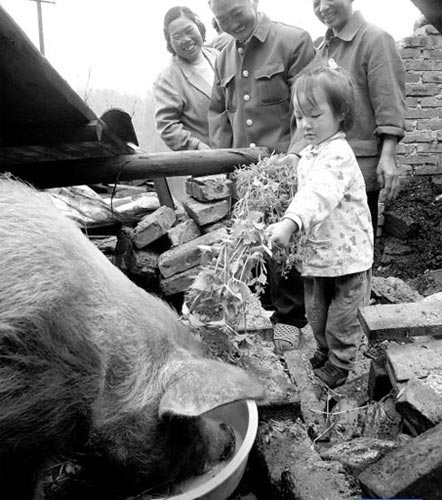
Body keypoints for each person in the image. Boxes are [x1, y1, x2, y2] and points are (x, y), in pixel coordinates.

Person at [208, 0, 315, 353]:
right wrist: (223, 163)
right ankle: (266, 309)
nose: (231, 23)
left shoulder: (293, 41)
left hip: (287, 167)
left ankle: (291, 320)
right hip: (248, 175)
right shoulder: (224, 57)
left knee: (287, 245)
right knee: (256, 244)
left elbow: (309, 106)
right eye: (222, 19)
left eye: (237, 12)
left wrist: (295, 155)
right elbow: (218, 114)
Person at [267, 66, 373, 389]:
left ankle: (340, 362)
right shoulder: (310, 153)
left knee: (343, 314)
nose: (306, 125)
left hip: (347, 256)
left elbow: (319, 193)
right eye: (300, 116)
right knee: (316, 311)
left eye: (314, 115)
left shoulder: (338, 153)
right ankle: (324, 349)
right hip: (318, 254)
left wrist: (290, 222)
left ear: (341, 114)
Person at [304, 0, 406, 234]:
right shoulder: (322, 49)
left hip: (360, 165)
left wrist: (388, 156)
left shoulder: (375, 39)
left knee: (359, 238)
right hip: (325, 167)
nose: (323, 7)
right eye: (316, 2)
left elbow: (388, 99)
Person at [153, 6, 219, 152]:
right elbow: (167, 126)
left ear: (199, 27)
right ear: (169, 41)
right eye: (177, 36)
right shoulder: (167, 79)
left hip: (242, 151)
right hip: (208, 160)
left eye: (189, 31)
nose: (186, 39)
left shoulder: (218, 56)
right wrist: (196, 146)